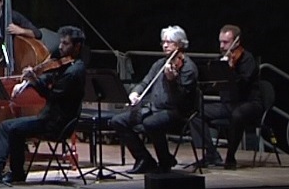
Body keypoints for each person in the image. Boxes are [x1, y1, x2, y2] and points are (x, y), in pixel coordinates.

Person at [0, 25, 88, 183]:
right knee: (13, 128)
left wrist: (34, 81)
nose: (60, 47)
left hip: (56, 123)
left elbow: (52, 96)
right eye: (61, 42)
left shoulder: (74, 72)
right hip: (51, 118)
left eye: (65, 43)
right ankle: (15, 173)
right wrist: (31, 80)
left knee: (7, 127)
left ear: (77, 46)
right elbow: (48, 76)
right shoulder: (66, 65)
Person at [110, 25, 198, 174]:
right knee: (118, 121)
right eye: (163, 42)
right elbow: (145, 82)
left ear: (180, 44)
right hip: (154, 109)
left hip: (176, 112)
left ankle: (165, 161)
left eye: (169, 42)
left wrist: (172, 80)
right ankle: (144, 159)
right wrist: (135, 93)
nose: (165, 45)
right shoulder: (160, 64)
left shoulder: (188, 68)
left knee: (151, 123)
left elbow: (181, 97)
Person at [189, 24, 262, 170]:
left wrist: (229, 70)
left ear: (237, 42)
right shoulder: (222, 60)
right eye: (220, 42)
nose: (222, 46)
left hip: (249, 103)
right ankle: (211, 153)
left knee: (237, 115)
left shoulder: (247, 59)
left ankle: (230, 156)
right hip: (228, 104)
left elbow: (242, 84)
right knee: (195, 112)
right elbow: (214, 84)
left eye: (226, 42)